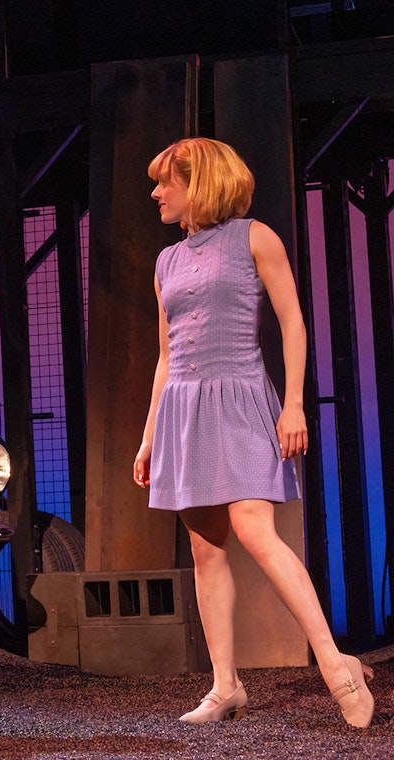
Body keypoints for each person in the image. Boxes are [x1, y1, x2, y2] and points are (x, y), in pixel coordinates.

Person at [133, 137, 374, 727]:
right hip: (184, 409)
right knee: (204, 547)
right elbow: (166, 357)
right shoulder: (166, 262)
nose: (156, 193)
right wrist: (148, 435)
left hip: (241, 398)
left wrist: (293, 405)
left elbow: (292, 323)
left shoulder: (254, 237)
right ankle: (226, 686)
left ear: (199, 182)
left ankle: (335, 665)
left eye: (165, 181)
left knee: (254, 529)